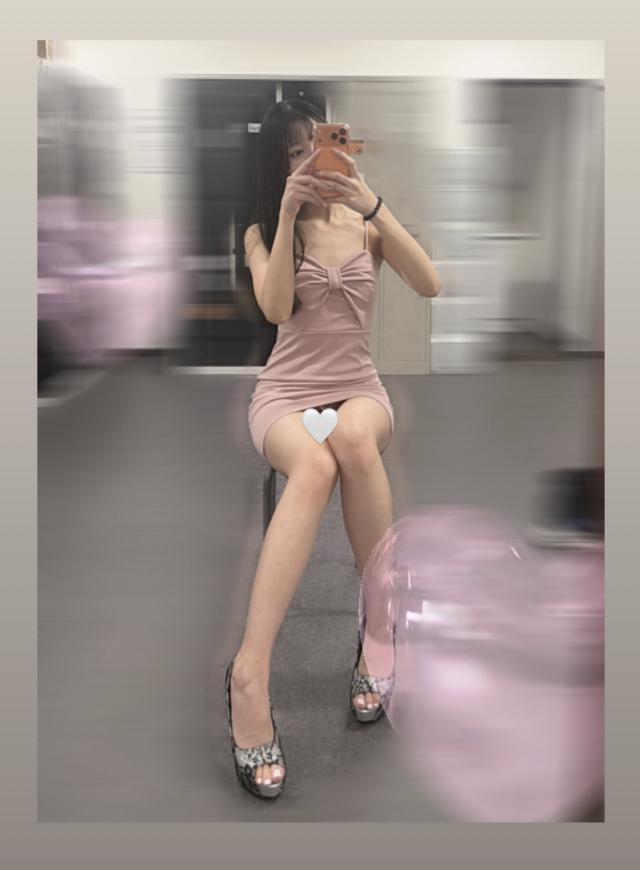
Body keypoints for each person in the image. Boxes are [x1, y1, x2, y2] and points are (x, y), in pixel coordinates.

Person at [225, 99, 442, 799]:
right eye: (292, 153)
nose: (308, 162)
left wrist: (370, 203)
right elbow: (277, 310)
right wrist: (289, 214)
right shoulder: (261, 230)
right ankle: (249, 673)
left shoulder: (364, 220)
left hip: (357, 386)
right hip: (284, 392)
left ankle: (379, 628)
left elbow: (430, 283)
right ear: (277, 164)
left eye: (315, 146)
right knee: (314, 465)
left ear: (339, 146)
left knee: (351, 438)